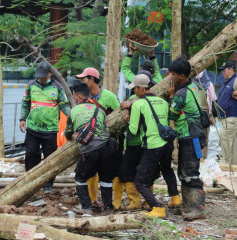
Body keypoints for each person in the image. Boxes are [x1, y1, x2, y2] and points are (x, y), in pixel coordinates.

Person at [123, 74, 178, 218]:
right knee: (167, 169)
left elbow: (134, 130)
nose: (134, 91)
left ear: (141, 88)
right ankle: (176, 198)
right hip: (167, 144)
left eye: (135, 88)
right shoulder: (162, 102)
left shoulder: (138, 104)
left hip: (152, 145)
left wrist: (128, 121)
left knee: (140, 181)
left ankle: (157, 208)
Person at [19, 61, 70, 193]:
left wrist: (72, 116)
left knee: (50, 159)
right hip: (33, 128)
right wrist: (22, 119)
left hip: (50, 130)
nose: (41, 78)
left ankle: (48, 185)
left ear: (50, 74)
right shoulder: (31, 85)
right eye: (39, 75)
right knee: (31, 155)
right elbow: (25, 103)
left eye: (43, 75)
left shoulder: (58, 87)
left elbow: (64, 105)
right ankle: (31, 183)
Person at [74, 67, 121, 209]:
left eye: (84, 79)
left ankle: (112, 204)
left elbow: (120, 116)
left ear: (92, 79)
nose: (82, 81)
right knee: (91, 173)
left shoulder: (109, 97)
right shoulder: (84, 98)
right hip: (90, 143)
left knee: (109, 173)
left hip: (109, 141)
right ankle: (93, 199)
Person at [65, 83, 114, 214]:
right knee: (105, 178)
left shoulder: (73, 111)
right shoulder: (100, 110)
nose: (74, 99)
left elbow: (68, 133)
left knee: (80, 177)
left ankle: (86, 208)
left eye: (74, 96)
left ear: (79, 96)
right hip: (106, 148)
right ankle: (108, 208)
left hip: (89, 149)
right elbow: (106, 127)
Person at [168, 57, 206, 220]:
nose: (171, 77)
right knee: (185, 171)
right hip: (194, 135)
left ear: (182, 76)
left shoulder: (181, 94)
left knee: (190, 172)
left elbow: (172, 114)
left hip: (190, 137)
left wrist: (171, 96)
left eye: (174, 74)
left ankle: (197, 209)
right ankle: (189, 206)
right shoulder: (193, 86)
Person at [193, 70, 217, 159]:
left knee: (202, 137)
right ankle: (198, 157)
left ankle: (201, 158)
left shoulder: (208, 85)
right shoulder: (193, 84)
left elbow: (213, 101)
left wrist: (212, 116)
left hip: (204, 115)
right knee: (197, 137)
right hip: (197, 114)